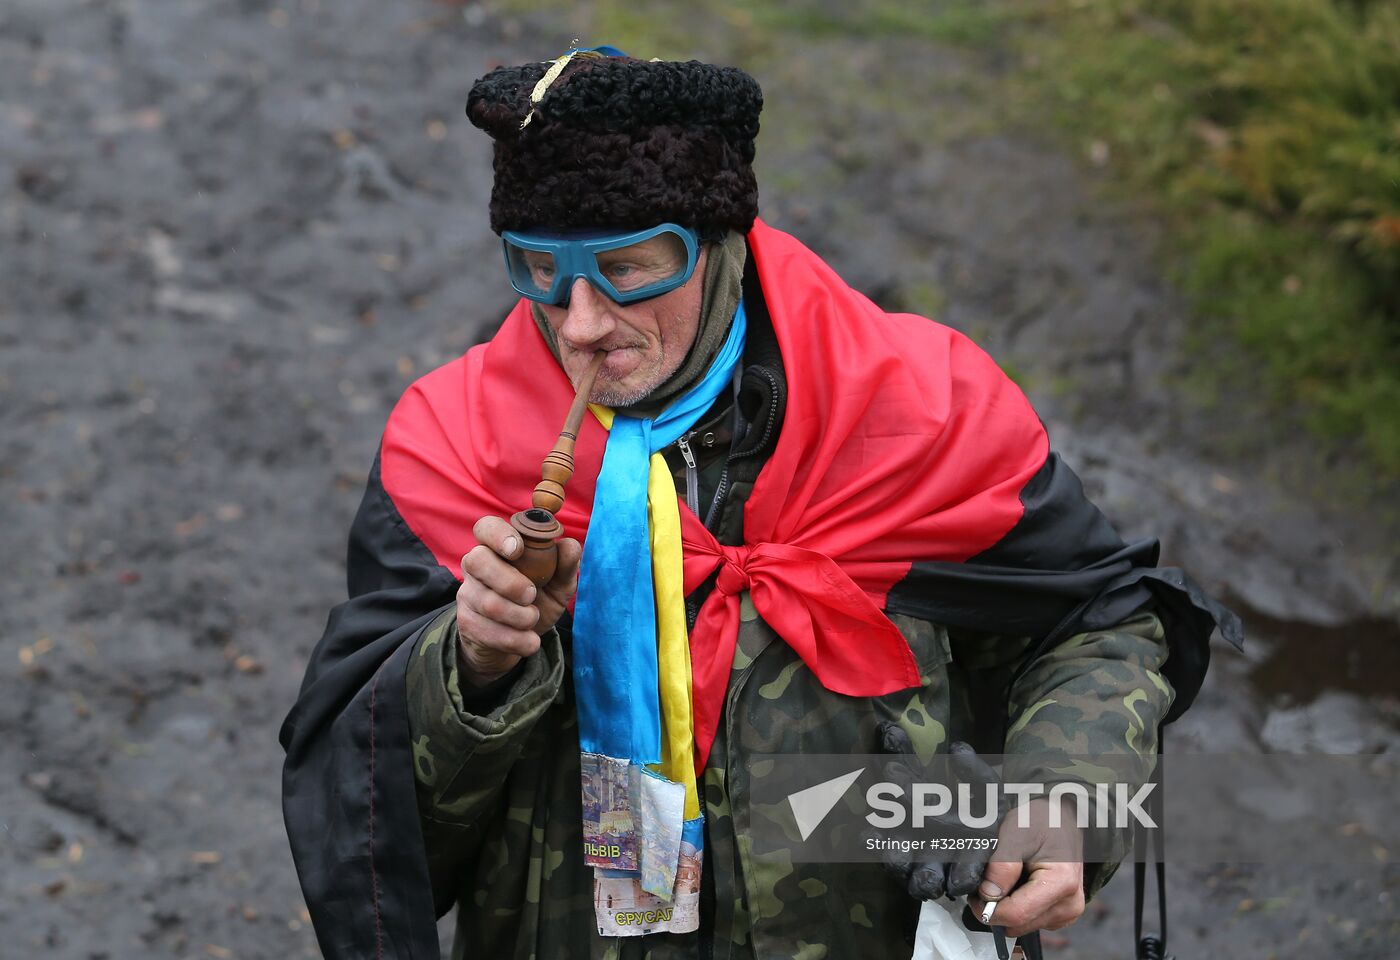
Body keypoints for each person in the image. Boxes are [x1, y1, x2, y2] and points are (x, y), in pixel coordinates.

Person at [279, 48, 1239, 960]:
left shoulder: (917, 407)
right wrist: (474, 667)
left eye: (628, 268)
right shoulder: (453, 448)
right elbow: (368, 800)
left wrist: (1063, 805)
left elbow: (1100, 624)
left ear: (718, 242)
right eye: (540, 268)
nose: (579, 323)